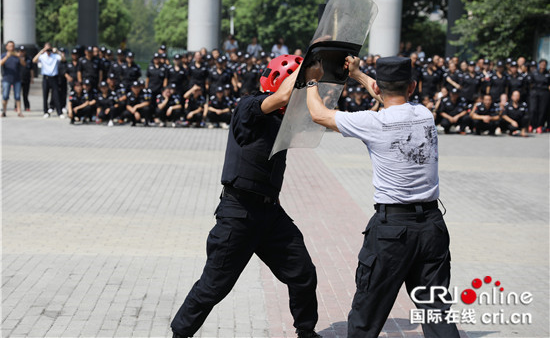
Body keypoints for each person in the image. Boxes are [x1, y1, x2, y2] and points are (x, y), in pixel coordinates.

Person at [306, 55, 460, 338]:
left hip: (392, 232)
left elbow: (319, 114)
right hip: (432, 227)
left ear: (379, 88)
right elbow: (388, 95)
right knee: (436, 312)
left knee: (366, 315)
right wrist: (359, 75)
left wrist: (311, 79)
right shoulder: (425, 115)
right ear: (412, 87)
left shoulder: (372, 122)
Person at [171, 54, 320, 338]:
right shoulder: (249, 106)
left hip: (270, 214)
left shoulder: (283, 118)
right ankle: (180, 333)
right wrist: (309, 70)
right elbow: (284, 93)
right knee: (213, 286)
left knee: (302, 273)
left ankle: (306, 331)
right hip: (238, 212)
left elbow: (319, 113)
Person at [33, 42, 64, 118]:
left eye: (49, 49)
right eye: (47, 49)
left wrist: (57, 51)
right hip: (46, 78)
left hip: (54, 77)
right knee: (45, 95)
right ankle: (45, 111)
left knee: (56, 95)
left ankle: (59, 112)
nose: (48, 51)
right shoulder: (42, 56)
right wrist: (42, 51)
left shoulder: (55, 56)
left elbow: (63, 59)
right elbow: (34, 60)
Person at [1, 41, 25, 117]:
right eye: (10, 46)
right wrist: (7, 56)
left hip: (17, 79)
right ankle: (4, 111)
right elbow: (1, 63)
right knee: (5, 95)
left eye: (13, 46)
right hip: (6, 78)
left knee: (17, 96)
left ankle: (19, 111)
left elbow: (24, 64)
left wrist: (19, 57)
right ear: (7, 47)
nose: (12, 47)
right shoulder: (3, 55)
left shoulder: (17, 55)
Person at [19, 46, 34, 112]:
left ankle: (27, 106)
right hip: (18, 79)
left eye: (23, 51)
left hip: (26, 78)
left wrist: (32, 78)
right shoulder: (17, 58)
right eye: (21, 51)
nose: (22, 52)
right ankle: (16, 107)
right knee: (17, 94)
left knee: (25, 94)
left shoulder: (29, 58)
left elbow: (31, 69)